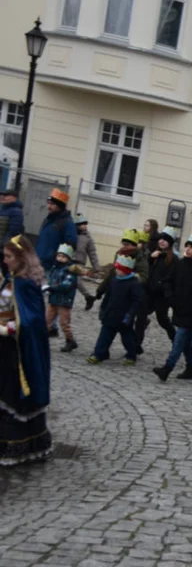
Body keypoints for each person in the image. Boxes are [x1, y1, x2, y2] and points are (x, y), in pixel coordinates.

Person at [0, 235, 52, 466]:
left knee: (13, 394)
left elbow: (32, 322)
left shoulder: (26, 283)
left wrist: (9, 328)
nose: (5, 260)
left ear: (21, 258)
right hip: (6, 346)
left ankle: (19, 447)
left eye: (9, 256)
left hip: (17, 351)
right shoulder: (11, 279)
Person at [153, 236, 192, 382]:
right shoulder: (180, 264)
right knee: (185, 340)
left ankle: (167, 368)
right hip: (179, 308)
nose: (187, 249)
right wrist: (170, 297)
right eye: (186, 246)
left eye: (191, 247)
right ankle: (191, 368)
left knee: (179, 338)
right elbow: (168, 281)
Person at [86, 254, 144, 365]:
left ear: (126, 271)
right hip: (111, 315)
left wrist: (130, 314)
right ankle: (98, 354)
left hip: (124, 317)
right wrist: (103, 308)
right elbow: (108, 296)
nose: (116, 270)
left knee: (127, 338)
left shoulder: (134, 284)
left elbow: (137, 301)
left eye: (119, 269)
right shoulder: (114, 280)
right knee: (104, 336)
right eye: (116, 268)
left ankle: (131, 356)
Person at [137, 226, 179, 350]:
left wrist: (163, 287)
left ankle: (175, 339)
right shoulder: (154, 255)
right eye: (161, 239)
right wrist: (151, 259)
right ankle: (136, 345)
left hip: (161, 296)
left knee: (163, 320)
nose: (161, 241)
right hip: (149, 293)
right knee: (140, 317)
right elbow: (147, 271)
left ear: (170, 243)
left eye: (165, 240)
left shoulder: (174, 259)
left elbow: (173, 277)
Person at [44, 244, 79, 353]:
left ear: (68, 258)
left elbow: (66, 285)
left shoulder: (69, 271)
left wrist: (52, 288)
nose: (60, 258)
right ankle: (42, 340)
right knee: (47, 320)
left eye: (63, 257)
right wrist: (49, 288)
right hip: (53, 299)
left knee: (64, 323)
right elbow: (51, 280)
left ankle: (70, 340)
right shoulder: (55, 268)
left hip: (64, 301)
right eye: (59, 256)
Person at [36, 189, 77, 273]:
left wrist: (58, 259)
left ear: (60, 206)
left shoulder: (67, 223)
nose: (49, 206)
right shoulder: (47, 220)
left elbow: (71, 244)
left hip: (52, 266)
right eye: (48, 203)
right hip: (40, 262)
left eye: (52, 204)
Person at [73, 215, 100, 310]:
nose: (84, 226)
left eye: (85, 224)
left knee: (77, 281)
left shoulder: (88, 238)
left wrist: (96, 267)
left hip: (79, 262)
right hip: (68, 261)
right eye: (82, 224)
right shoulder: (71, 234)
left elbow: (92, 253)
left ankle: (88, 296)